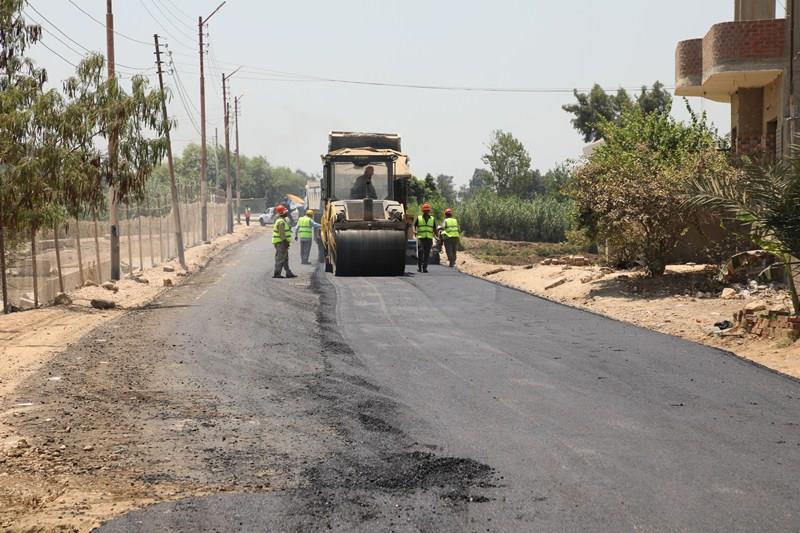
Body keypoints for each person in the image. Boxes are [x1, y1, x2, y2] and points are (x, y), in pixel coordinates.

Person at [272, 205, 296, 279]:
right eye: (285, 212)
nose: (287, 213)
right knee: (280, 258)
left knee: (285, 258)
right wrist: (285, 242)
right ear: (282, 213)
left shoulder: (282, 220)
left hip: (282, 242)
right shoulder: (281, 222)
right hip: (281, 242)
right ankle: (277, 273)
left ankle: (288, 273)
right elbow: (282, 234)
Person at [415, 203, 435, 273]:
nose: (426, 212)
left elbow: (434, 228)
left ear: (429, 211)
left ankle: (425, 268)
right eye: (425, 211)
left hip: (429, 238)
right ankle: (420, 267)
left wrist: (436, 237)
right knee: (421, 251)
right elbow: (414, 225)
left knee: (427, 253)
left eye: (427, 211)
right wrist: (414, 231)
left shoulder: (432, 219)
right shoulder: (419, 218)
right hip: (421, 238)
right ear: (423, 211)